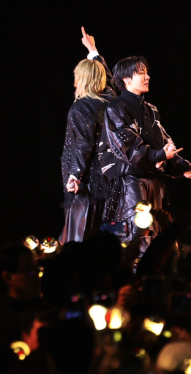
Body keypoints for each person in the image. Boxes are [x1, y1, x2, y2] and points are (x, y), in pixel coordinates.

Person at [103, 56, 191, 253]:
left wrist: (182, 167)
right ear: (126, 79)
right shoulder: (115, 108)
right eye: (141, 73)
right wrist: (158, 156)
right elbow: (127, 147)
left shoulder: (151, 110)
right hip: (130, 182)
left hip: (154, 181)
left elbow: (164, 142)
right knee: (137, 233)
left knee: (155, 234)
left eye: (147, 72)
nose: (147, 77)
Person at [60, 28, 117, 244]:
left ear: (81, 79)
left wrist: (75, 176)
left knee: (80, 241)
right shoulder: (111, 101)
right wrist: (93, 51)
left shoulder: (81, 108)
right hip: (109, 184)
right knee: (106, 240)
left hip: (87, 187)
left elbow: (83, 145)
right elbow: (109, 81)